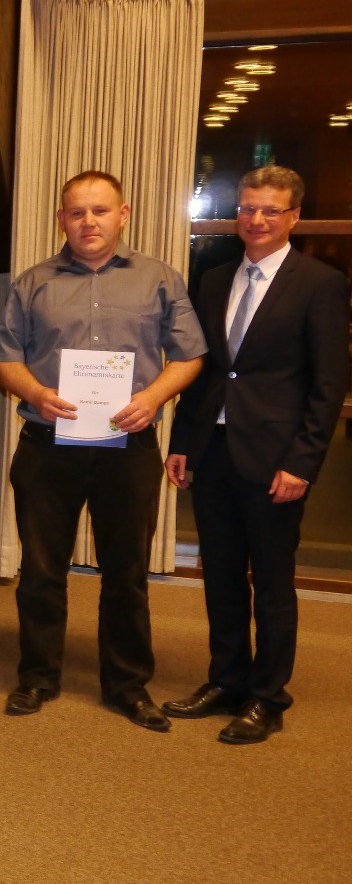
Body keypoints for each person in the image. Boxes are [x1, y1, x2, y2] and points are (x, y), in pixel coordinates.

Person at [0, 170, 206, 731]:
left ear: (123, 214)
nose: (88, 221)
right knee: (41, 570)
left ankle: (128, 685)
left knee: (126, 572)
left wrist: (152, 397)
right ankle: (38, 676)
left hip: (127, 447)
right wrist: (35, 392)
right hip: (48, 446)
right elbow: (5, 358)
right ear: (61, 219)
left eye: (100, 210)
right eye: (77, 212)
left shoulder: (159, 279)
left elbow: (190, 355)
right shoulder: (33, 283)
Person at [164, 166, 349, 743]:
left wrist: (303, 463)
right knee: (219, 575)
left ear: (294, 216)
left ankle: (268, 696)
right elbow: (203, 371)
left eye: (271, 210)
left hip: (276, 459)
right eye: (248, 208)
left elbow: (328, 385)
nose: (257, 219)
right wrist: (181, 443)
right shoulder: (215, 278)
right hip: (214, 450)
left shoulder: (320, 283)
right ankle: (226, 680)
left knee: (270, 581)